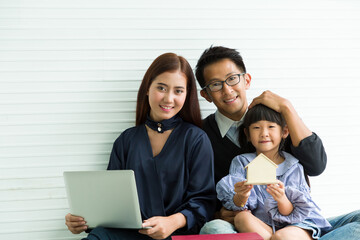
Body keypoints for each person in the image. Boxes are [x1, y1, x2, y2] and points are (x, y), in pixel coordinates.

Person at [195, 46, 360, 239]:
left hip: (295, 223)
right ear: (206, 95)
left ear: (246, 80)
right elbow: (196, 194)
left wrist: (286, 108)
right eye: (216, 84)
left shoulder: (275, 120)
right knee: (215, 229)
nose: (227, 90)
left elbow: (316, 165)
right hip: (247, 225)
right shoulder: (200, 136)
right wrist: (220, 211)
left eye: (232, 79)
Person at [65, 53, 217, 240]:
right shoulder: (126, 140)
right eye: (161, 88)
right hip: (128, 233)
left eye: (178, 91)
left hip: (175, 235)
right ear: (147, 89)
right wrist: (83, 221)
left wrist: (173, 221)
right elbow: (110, 202)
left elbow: (204, 201)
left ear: (187, 95)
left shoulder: (196, 139)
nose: (169, 99)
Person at [217, 104, 332, 239]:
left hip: (297, 224)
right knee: (241, 217)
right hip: (263, 226)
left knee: (282, 236)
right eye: (256, 128)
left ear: (284, 132)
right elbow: (238, 206)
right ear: (247, 133)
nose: (264, 133)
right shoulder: (241, 162)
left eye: (271, 127)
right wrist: (241, 196)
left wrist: (281, 198)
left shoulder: (293, 166)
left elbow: (295, 212)